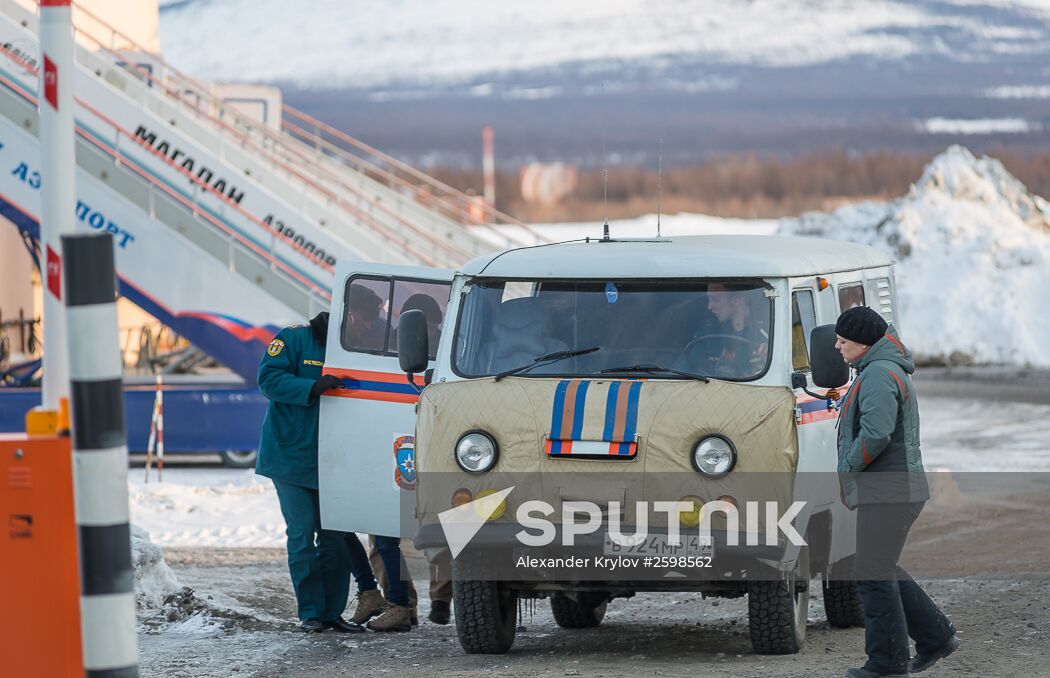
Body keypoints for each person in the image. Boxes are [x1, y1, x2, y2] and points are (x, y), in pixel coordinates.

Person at [834, 306, 959, 678]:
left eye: (843, 341)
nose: (838, 348)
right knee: (880, 567)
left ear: (862, 343)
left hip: (890, 490)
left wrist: (847, 469)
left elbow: (876, 433)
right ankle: (936, 637)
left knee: (872, 573)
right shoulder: (880, 369)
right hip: (893, 489)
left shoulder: (878, 374)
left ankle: (887, 664)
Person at [257, 311, 386, 633]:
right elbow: (268, 379)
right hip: (290, 456)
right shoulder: (294, 338)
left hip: (336, 460)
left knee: (335, 538)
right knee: (302, 534)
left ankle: (331, 613)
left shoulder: (357, 349)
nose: (367, 327)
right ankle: (310, 613)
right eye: (364, 321)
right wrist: (312, 387)